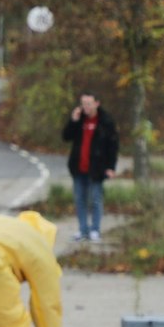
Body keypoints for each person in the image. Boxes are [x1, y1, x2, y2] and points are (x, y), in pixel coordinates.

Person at [62, 92, 118, 242]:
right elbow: (66, 137)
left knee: (95, 200)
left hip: (97, 168)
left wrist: (111, 167)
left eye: (88, 103)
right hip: (78, 167)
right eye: (83, 103)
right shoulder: (79, 120)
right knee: (80, 200)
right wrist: (73, 121)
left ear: (96, 104)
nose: (85, 107)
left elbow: (113, 145)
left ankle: (95, 230)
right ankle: (83, 230)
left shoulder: (105, 121)